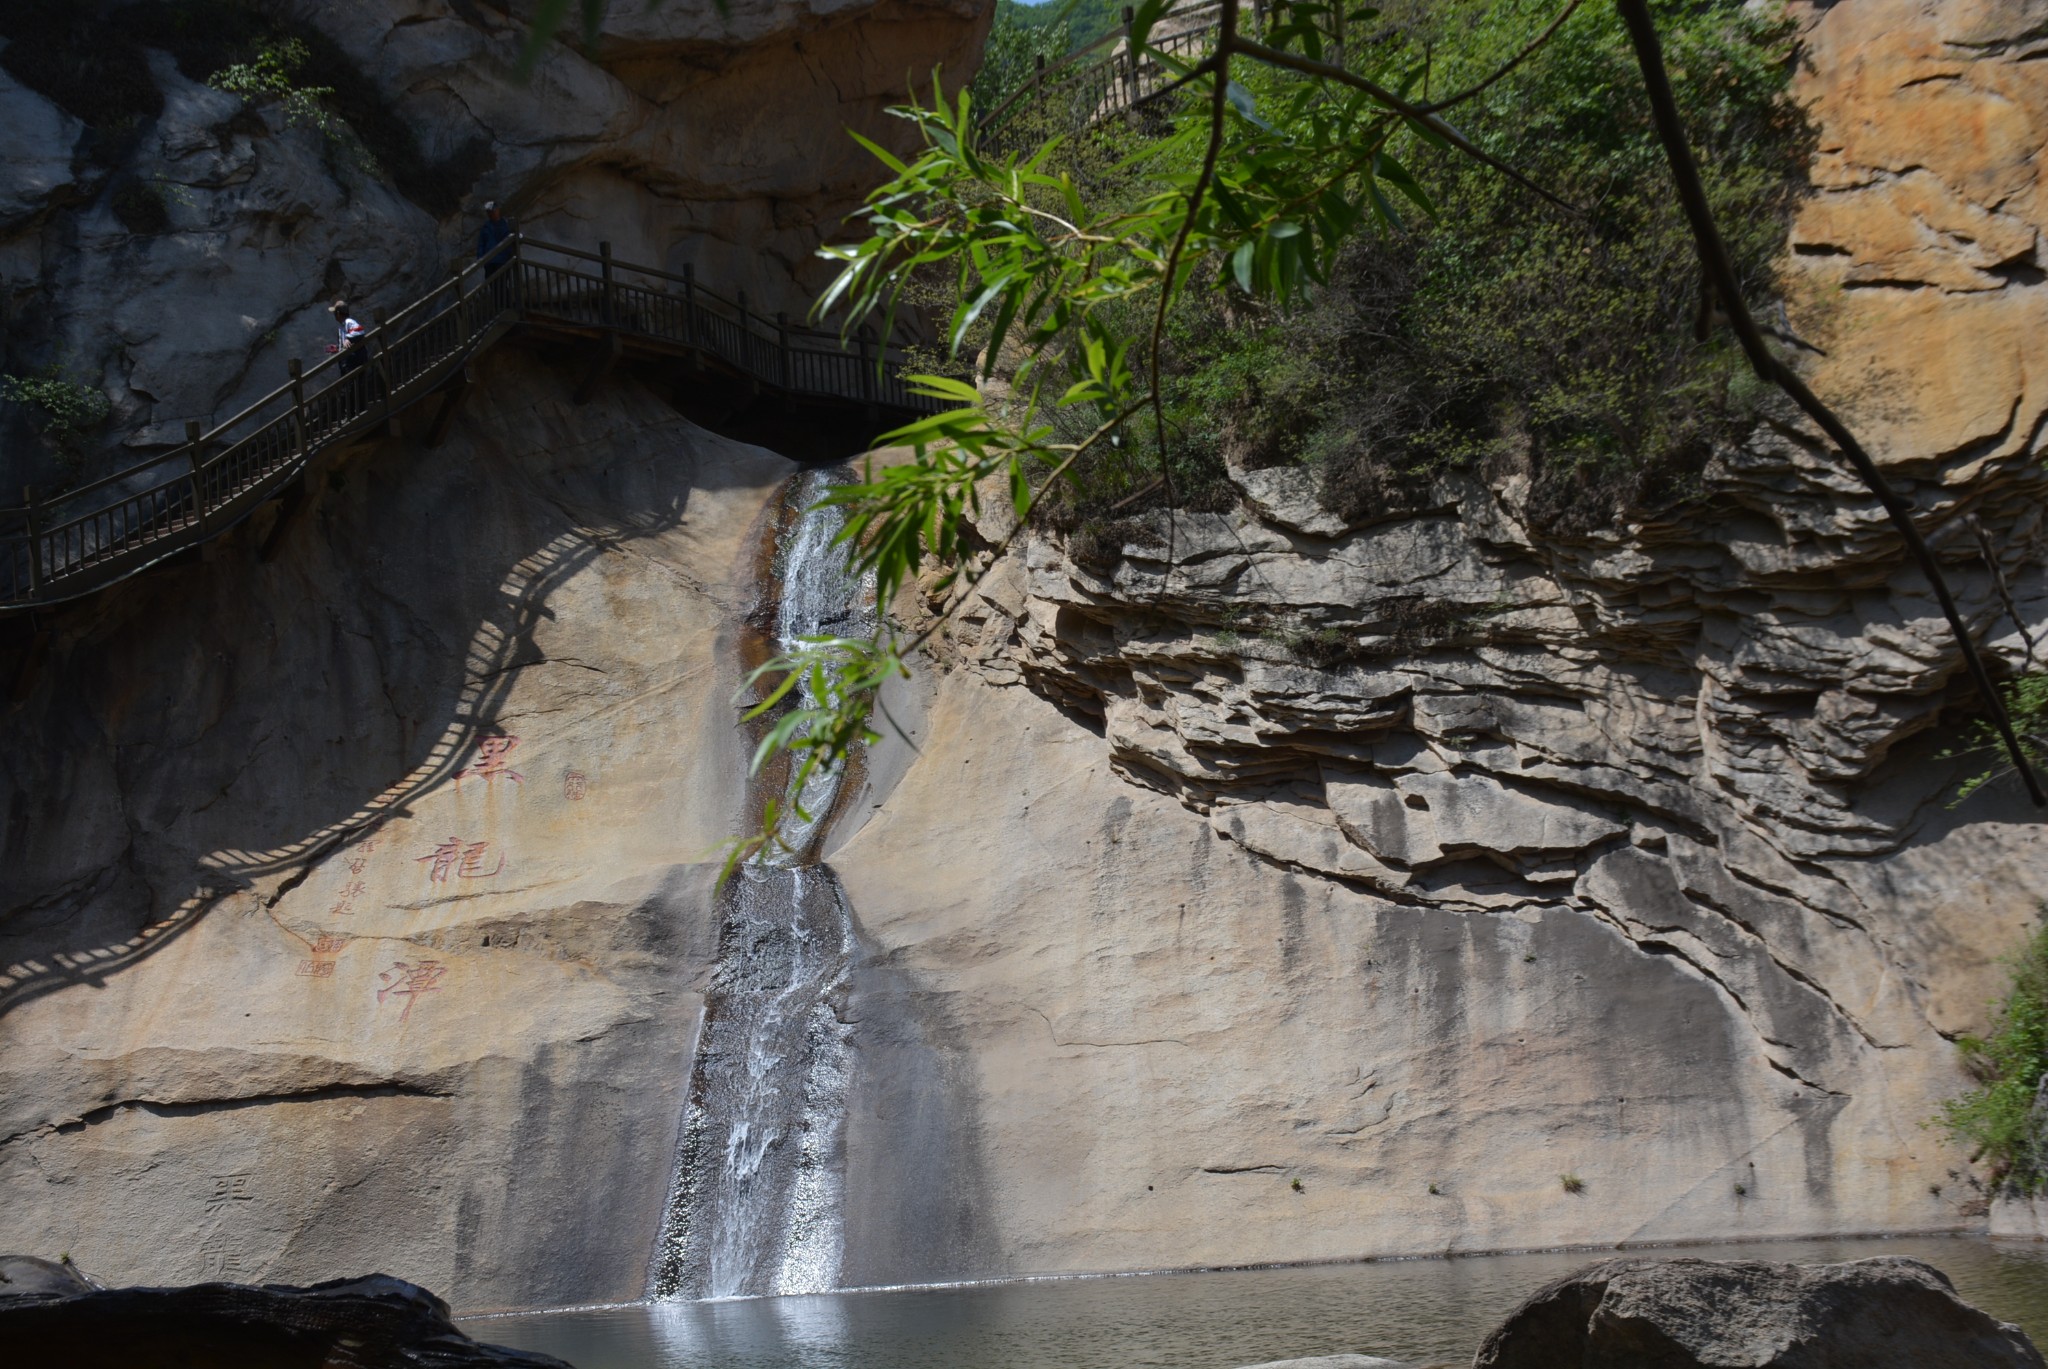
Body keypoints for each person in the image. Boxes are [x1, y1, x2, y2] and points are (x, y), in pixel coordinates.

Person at [477, 200, 514, 274]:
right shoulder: (485, 227)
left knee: (502, 282)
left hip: (503, 260)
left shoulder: (505, 225)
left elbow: (509, 241)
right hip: (489, 261)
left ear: (498, 210)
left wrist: (510, 255)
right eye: (489, 212)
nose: (491, 213)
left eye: (493, 211)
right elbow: (481, 244)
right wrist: (480, 258)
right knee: (492, 282)